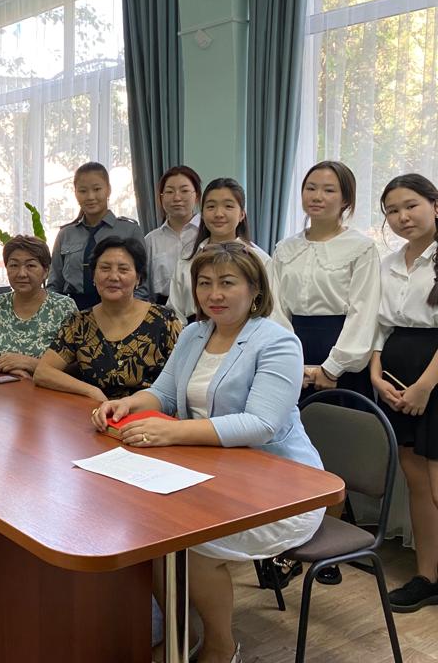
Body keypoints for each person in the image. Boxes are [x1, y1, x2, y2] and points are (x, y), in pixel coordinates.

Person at [93, 243, 323, 663]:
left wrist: (174, 431)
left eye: (227, 283)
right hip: (211, 475)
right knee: (151, 532)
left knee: (191, 546)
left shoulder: (278, 342)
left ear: (255, 289)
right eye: (204, 283)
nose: (214, 294)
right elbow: (163, 393)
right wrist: (127, 404)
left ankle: (221, 647)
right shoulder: (195, 333)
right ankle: (182, 633)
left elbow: (261, 424)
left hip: (283, 490)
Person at [370, 174, 438, 613]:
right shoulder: (390, 262)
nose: (402, 217)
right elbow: (380, 325)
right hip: (396, 372)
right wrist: (376, 373)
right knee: (416, 481)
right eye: (392, 211)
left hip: (431, 376)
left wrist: (425, 387)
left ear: (435, 205)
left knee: (437, 484)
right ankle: (427, 576)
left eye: (411, 205)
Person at [270, 161, 380, 400]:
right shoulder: (285, 248)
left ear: (346, 200)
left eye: (329, 190)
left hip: (341, 348)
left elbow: (364, 312)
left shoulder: (361, 248)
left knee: (340, 420)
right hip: (292, 347)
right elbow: (275, 308)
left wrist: (333, 367)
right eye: (310, 188)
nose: (317, 196)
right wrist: (288, 358)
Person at [35, 236, 181, 400]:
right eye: (105, 268)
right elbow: (43, 372)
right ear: (93, 276)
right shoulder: (79, 323)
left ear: (138, 278)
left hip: (149, 412)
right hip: (95, 410)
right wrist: (91, 391)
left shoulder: (164, 320)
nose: (113, 277)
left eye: (123, 270)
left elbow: (184, 378)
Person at [0, 235, 76, 378]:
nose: (21, 274)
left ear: (46, 271)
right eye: (14, 265)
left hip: (47, 389)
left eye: (31, 266)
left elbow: (77, 366)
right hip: (3, 388)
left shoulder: (63, 307)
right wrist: (6, 365)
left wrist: (28, 363)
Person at [48, 161, 149, 310]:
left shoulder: (130, 230)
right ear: (75, 193)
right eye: (83, 191)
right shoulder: (65, 234)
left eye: (97, 189)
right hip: (72, 312)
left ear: (108, 190)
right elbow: (54, 285)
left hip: (118, 310)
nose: (90, 197)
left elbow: (142, 286)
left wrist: (129, 314)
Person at [168, 178, 270, 323]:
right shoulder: (188, 258)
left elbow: (271, 312)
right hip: (193, 332)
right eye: (211, 207)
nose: (218, 214)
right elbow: (175, 312)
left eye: (228, 206)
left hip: (245, 333)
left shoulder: (259, 259)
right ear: (202, 214)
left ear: (242, 214)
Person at [145, 166, 202, 305]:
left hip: (204, 307)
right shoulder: (151, 241)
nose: (177, 198)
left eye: (184, 191)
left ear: (196, 196)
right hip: (162, 309)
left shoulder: (208, 233)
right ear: (161, 197)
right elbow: (144, 287)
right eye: (169, 191)